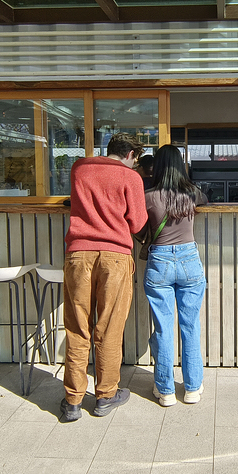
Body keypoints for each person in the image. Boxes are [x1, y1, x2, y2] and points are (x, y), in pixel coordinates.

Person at [60, 132, 147, 422]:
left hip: (79, 253)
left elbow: (76, 202)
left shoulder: (79, 167)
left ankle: (72, 400)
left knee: (77, 326)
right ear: (131, 155)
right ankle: (106, 396)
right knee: (109, 328)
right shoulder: (131, 177)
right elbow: (137, 222)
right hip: (115, 256)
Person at [143, 145, 209, 406]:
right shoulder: (192, 193)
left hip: (159, 260)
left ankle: (166, 391)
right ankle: (192, 388)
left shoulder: (148, 195)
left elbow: (137, 224)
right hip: (189, 260)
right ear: (180, 166)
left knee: (163, 328)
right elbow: (206, 199)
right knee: (190, 326)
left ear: (157, 167)